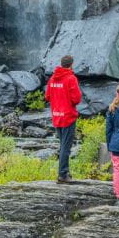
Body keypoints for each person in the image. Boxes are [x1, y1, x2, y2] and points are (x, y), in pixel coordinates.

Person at [45, 54, 82, 183]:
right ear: (71, 65)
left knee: (63, 145)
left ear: (61, 64)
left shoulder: (52, 79)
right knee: (66, 146)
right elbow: (76, 99)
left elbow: (47, 96)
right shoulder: (71, 78)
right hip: (67, 117)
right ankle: (63, 174)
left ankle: (64, 172)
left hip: (56, 116)